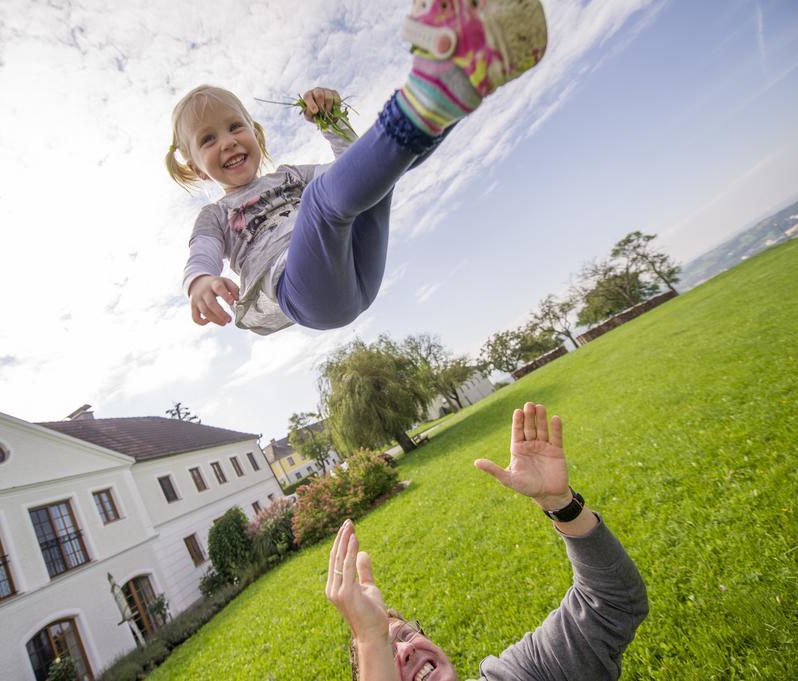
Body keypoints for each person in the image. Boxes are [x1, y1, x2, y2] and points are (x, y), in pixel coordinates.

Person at [166, 1, 549, 334]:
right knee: (320, 198)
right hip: (307, 293)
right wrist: (198, 280)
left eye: (235, 127)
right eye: (208, 140)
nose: (228, 141)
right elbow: (202, 250)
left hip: (358, 261)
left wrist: (332, 122)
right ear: (199, 170)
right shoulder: (215, 215)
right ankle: (426, 97)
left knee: (375, 184)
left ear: (256, 135)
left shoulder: (290, 176)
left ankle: (466, 80)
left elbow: (354, 171)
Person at [325, 402, 649, 680]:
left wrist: (560, 504)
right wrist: (369, 639)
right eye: (387, 653)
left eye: (406, 634)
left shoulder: (516, 673)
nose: (408, 649)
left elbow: (611, 604)